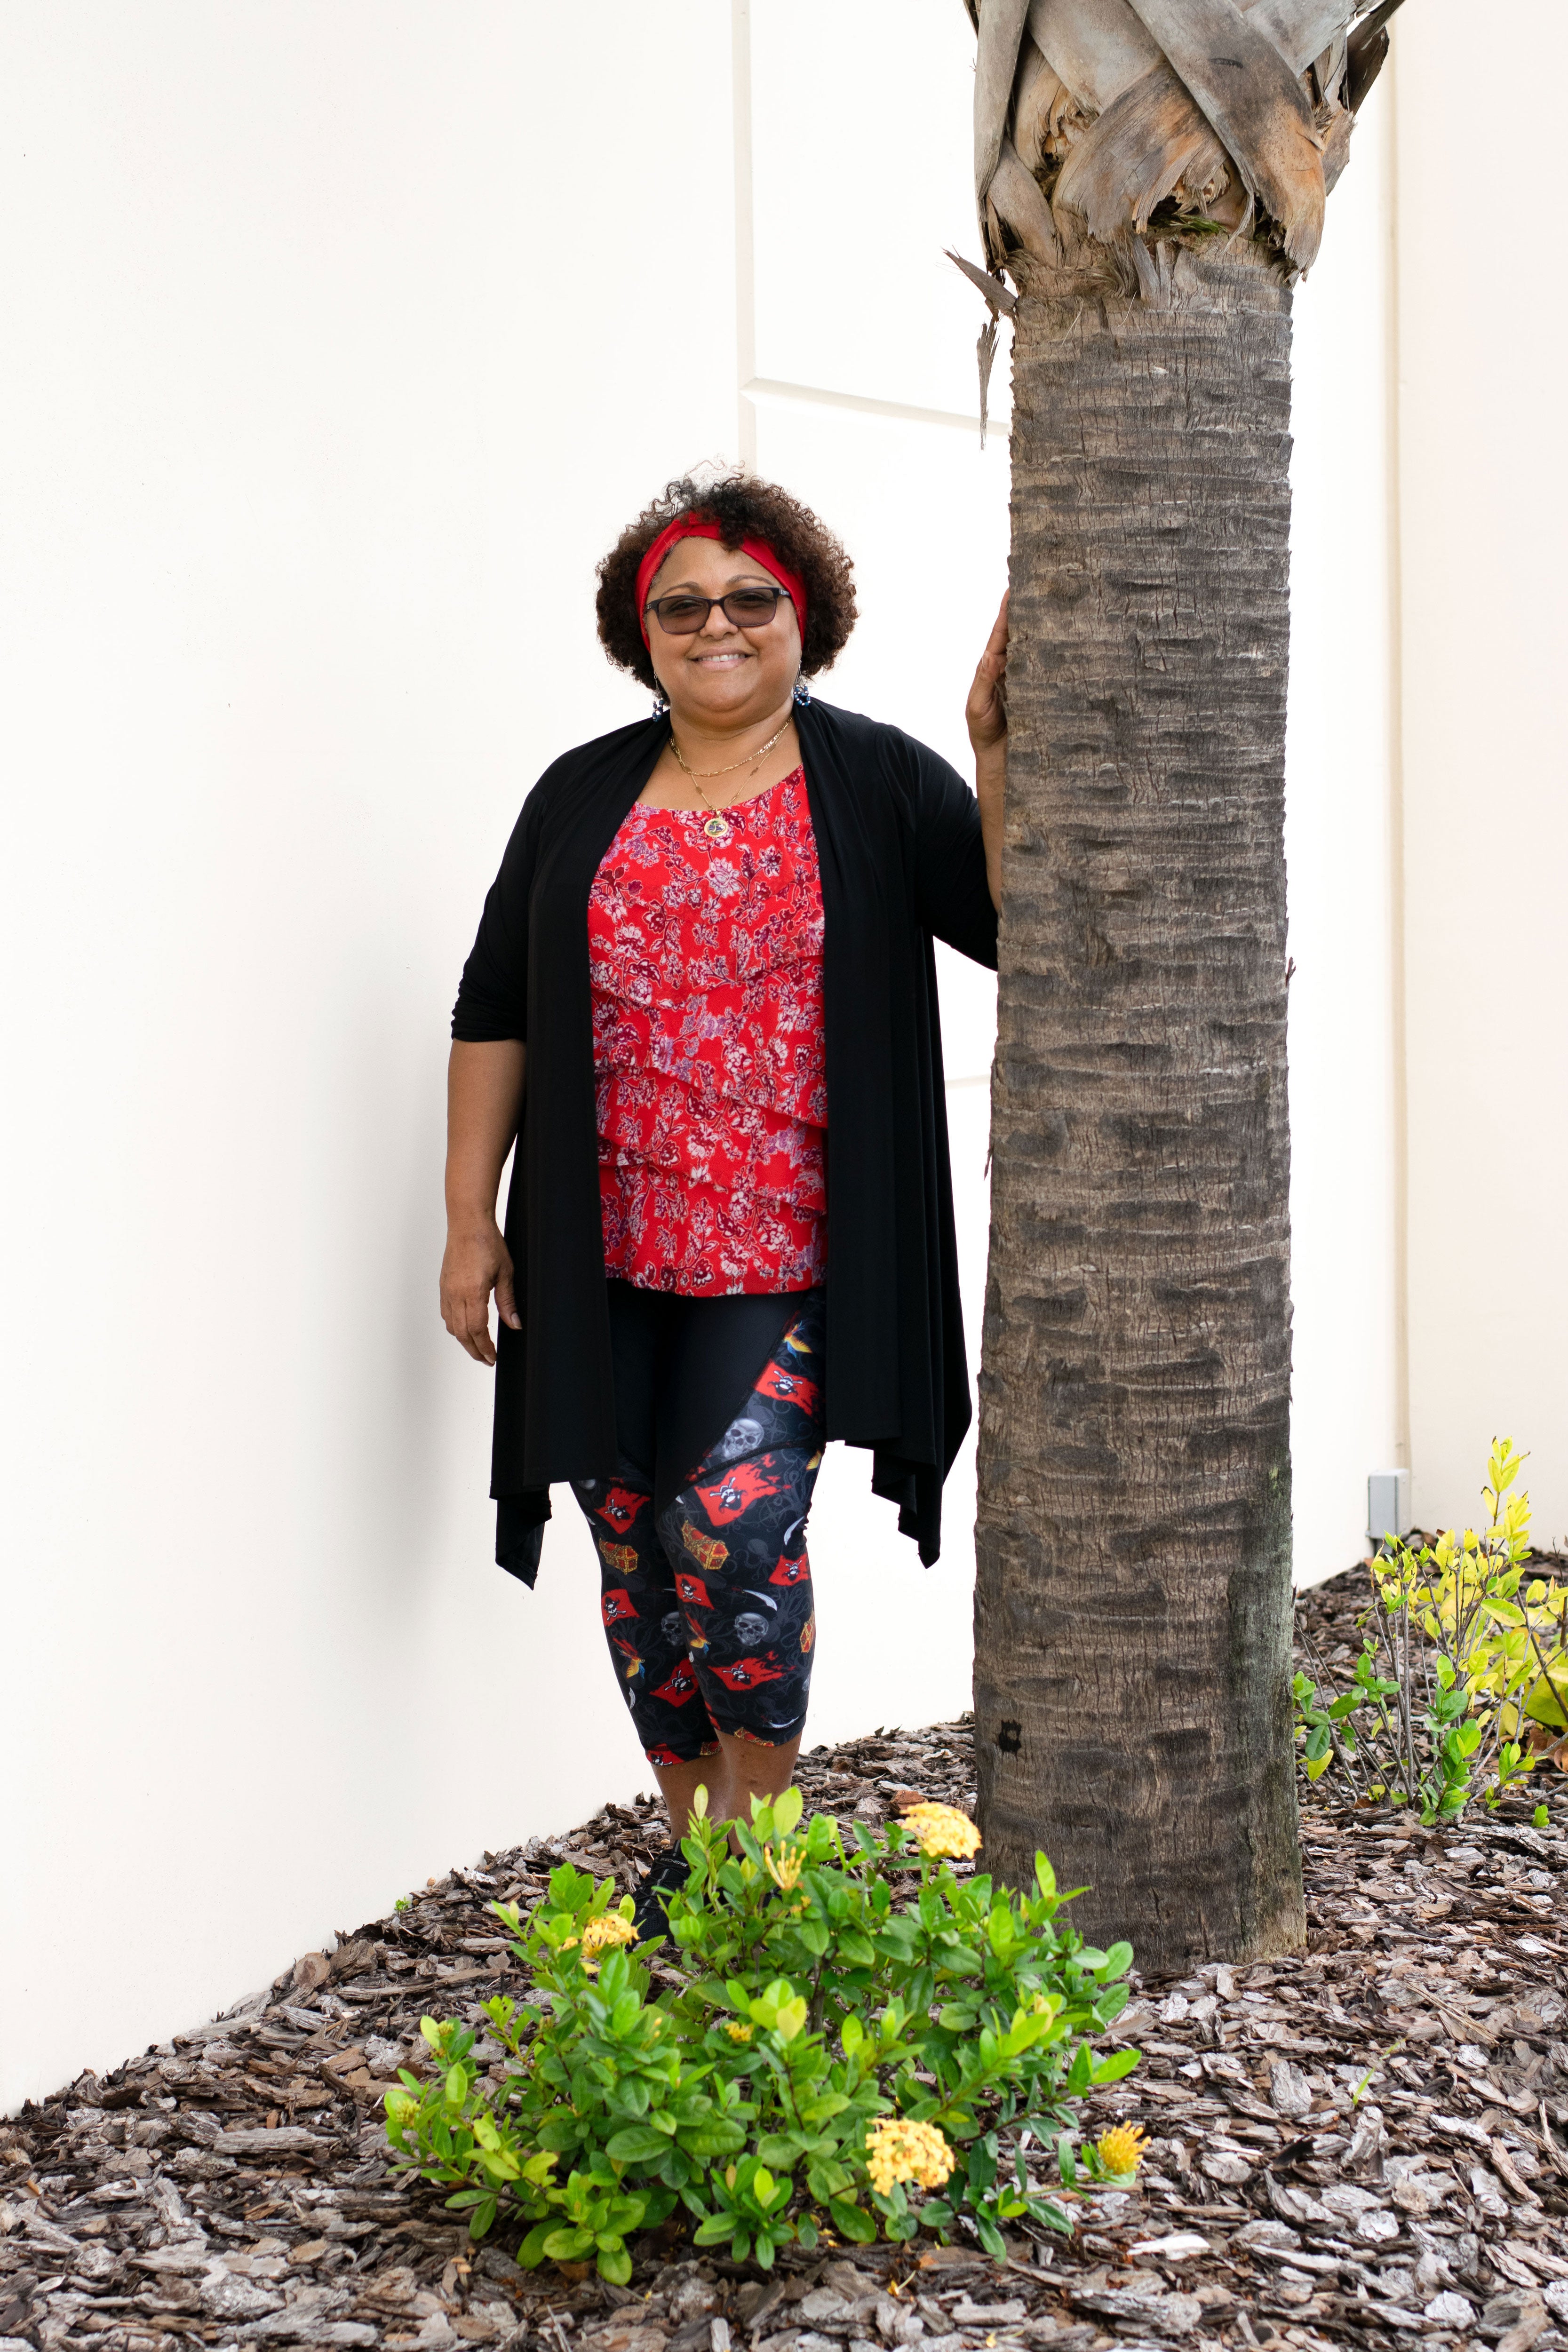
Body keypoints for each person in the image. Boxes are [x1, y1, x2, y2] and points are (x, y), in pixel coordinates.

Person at [442, 470, 1007, 1930]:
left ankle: (769, 1845)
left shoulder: (873, 780)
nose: (717, 624)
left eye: (750, 598)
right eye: (681, 604)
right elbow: (495, 1003)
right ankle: (693, 1846)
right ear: (644, 632)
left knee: (730, 1531)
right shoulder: (580, 793)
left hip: (789, 1248)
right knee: (631, 1549)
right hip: (600, 1246)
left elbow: (1019, 921)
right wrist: (469, 1215)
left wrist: (995, 763)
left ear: (803, 614)